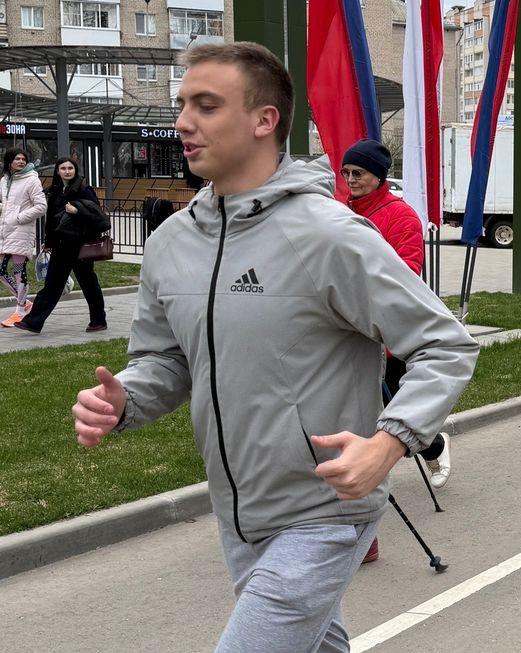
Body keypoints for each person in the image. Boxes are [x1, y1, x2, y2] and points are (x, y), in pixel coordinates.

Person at [70, 42, 478, 652]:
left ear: (265, 120)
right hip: (238, 510)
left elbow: (444, 345)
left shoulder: (329, 235)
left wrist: (388, 443)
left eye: (207, 105)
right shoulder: (171, 243)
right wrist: (125, 399)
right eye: (183, 104)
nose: (183, 122)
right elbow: (167, 360)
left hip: (325, 509)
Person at [341, 137, 453, 564]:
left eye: (359, 173)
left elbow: (407, 274)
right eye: (347, 173)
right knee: (358, 424)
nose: (351, 180)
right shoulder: (340, 211)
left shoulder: (400, 216)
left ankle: (433, 446)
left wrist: (360, 300)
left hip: (385, 336)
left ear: (378, 176)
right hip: (345, 335)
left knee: (388, 422)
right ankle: (358, 523)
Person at [14, 158, 109, 334]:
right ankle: (33, 322)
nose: (67, 171)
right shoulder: (55, 191)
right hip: (61, 245)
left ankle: (98, 320)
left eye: (70, 168)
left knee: (88, 283)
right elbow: (51, 221)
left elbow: (96, 216)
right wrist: (49, 242)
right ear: (58, 171)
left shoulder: (84, 190)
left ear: (75, 170)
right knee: (52, 284)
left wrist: (77, 211)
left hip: (80, 246)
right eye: (63, 168)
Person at [0, 148, 47, 327]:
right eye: (17, 158)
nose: (21, 161)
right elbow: (7, 204)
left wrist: (19, 218)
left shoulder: (32, 180)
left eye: (23, 159)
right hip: (4, 232)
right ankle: (25, 303)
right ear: (9, 161)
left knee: (19, 271)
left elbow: (41, 206)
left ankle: (20, 310)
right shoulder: (4, 180)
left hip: (21, 232)